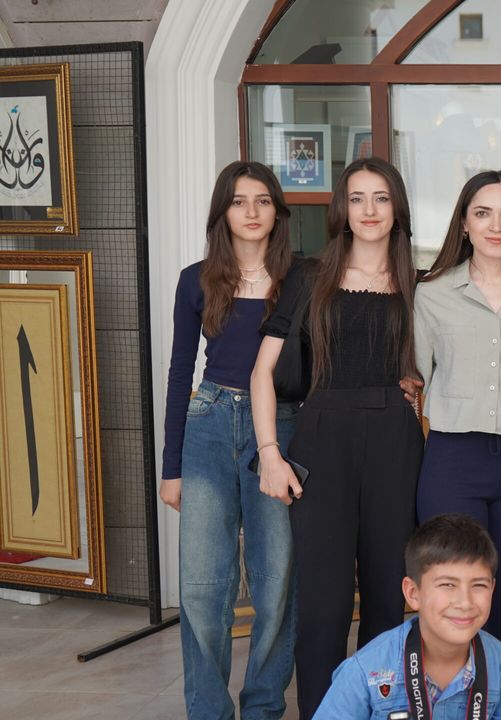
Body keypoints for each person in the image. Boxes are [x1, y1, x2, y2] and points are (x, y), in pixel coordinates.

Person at [251, 157, 425, 720]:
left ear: (397, 209)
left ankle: (381, 710)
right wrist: (270, 455)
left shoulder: (419, 283)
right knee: (323, 606)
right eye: (357, 198)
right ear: (342, 209)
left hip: (395, 442)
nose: (369, 210)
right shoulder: (309, 276)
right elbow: (262, 372)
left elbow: (439, 363)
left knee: (386, 600)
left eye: (381, 198)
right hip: (322, 438)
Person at [161, 160, 297, 720]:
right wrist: (171, 467)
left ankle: (263, 707)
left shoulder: (300, 278)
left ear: (277, 211)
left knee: (276, 582)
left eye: (262, 200)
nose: (251, 211)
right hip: (209, 426)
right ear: (223, 212)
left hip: (281, 428)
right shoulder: (196, 279)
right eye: (239, 201)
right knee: (202, 586)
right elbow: (179, 373)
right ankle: (208, 711)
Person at [413, 170, 501, 674]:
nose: (496, 225)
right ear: (465, 223)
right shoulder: (431, 294)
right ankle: (447, 700)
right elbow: (414, 382)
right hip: (452, 460)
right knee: (453, 594)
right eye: (483, 213)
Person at [315, 513, 501, 720]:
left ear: (492, 589)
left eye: (479, 585)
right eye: (448, 584)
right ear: (413, 593)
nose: (465, 602)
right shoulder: (366, 671)